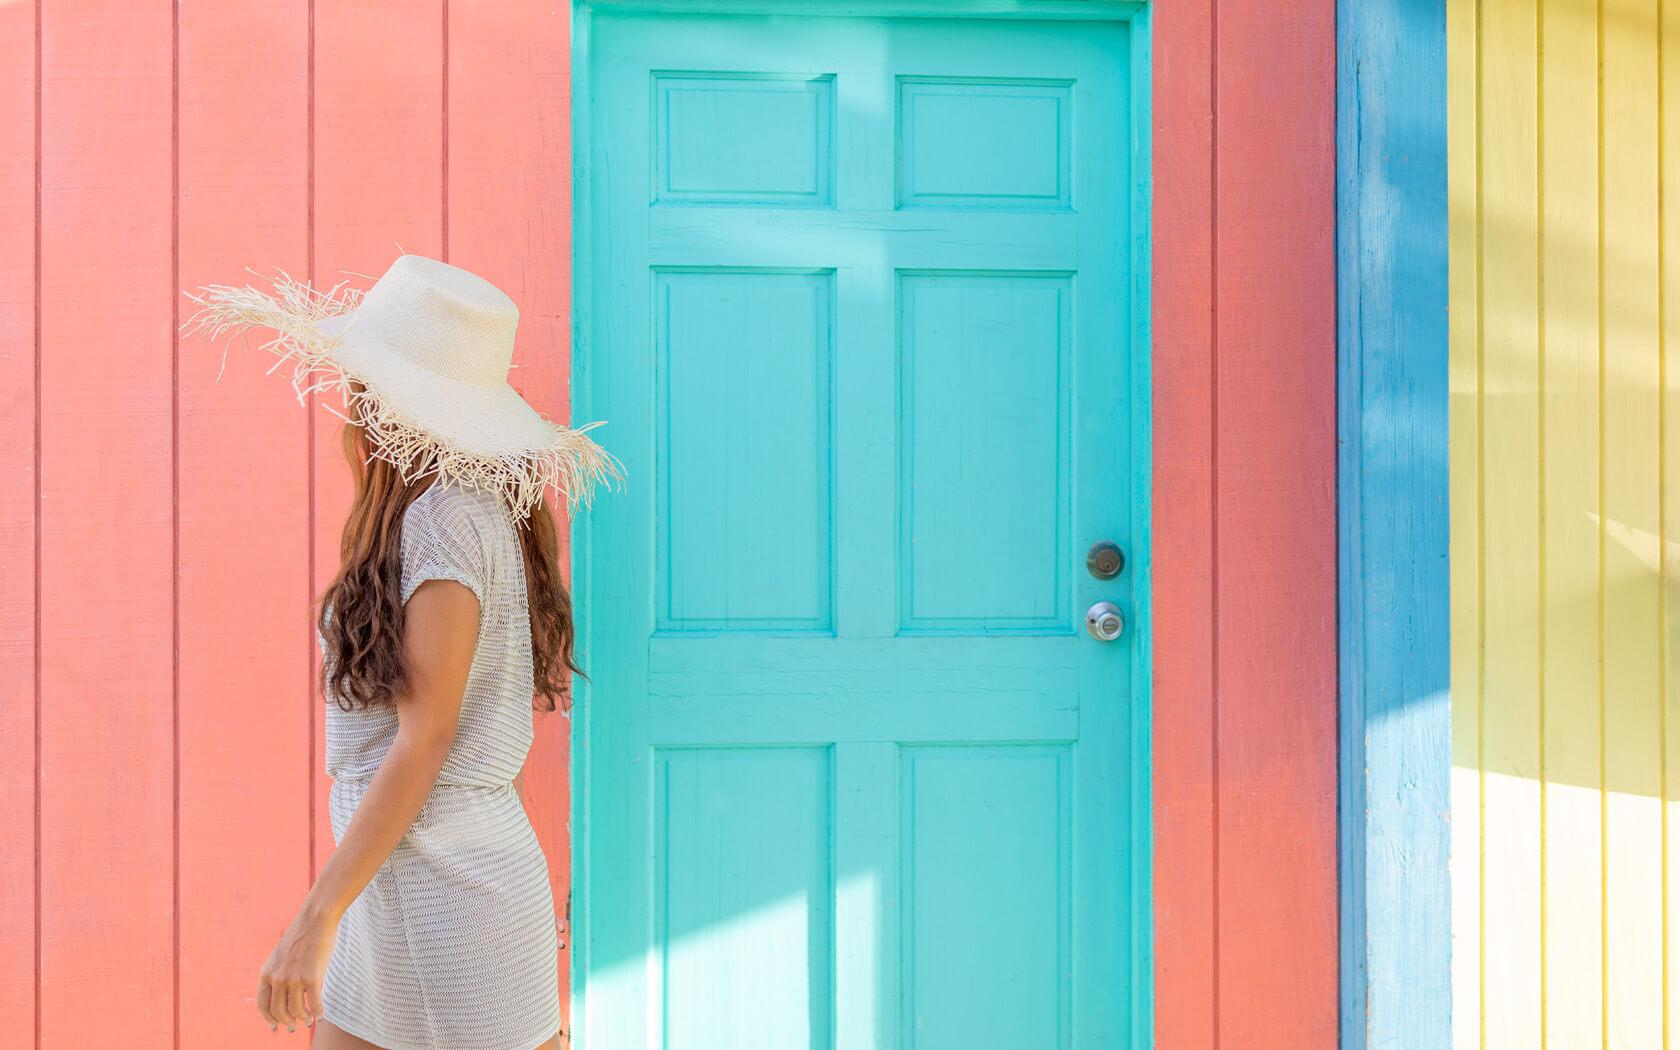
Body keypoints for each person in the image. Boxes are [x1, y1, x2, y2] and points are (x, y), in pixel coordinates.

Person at [184, 254, 620, 1049]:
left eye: (361, 380)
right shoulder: (457, 508)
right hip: (408, 882)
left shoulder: (444, 518)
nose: (348, 400)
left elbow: (430, 739)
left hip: (445, 894)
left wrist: (312, 920)